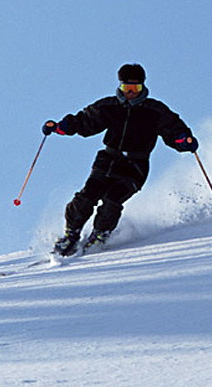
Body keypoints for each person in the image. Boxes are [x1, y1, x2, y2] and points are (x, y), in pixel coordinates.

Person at [42, 63, 199, 256]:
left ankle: (100, 234)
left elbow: (174, 130)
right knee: (87, 195)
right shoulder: (109, 107)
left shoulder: (155, 111)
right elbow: (84, 122)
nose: (131, 93)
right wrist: (60, 127)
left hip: (135, 167)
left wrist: (184, 140)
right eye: (127, 88)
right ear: (120, 86)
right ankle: (71, 234)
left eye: (136, 88)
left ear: (143, 87)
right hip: (108, 160)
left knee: (112, 200)